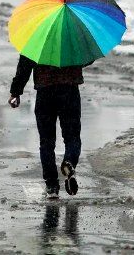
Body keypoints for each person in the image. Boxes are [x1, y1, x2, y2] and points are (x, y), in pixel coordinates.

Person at [9, 54, 85, 199]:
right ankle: (69, 162)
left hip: (45, 92)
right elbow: (86, 58)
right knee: (72, 138)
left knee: (47, 142)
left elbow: (24, 65)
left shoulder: (37, 38)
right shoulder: (73, 37)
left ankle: (52, 186)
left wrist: (15, 92)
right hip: (70, 91)